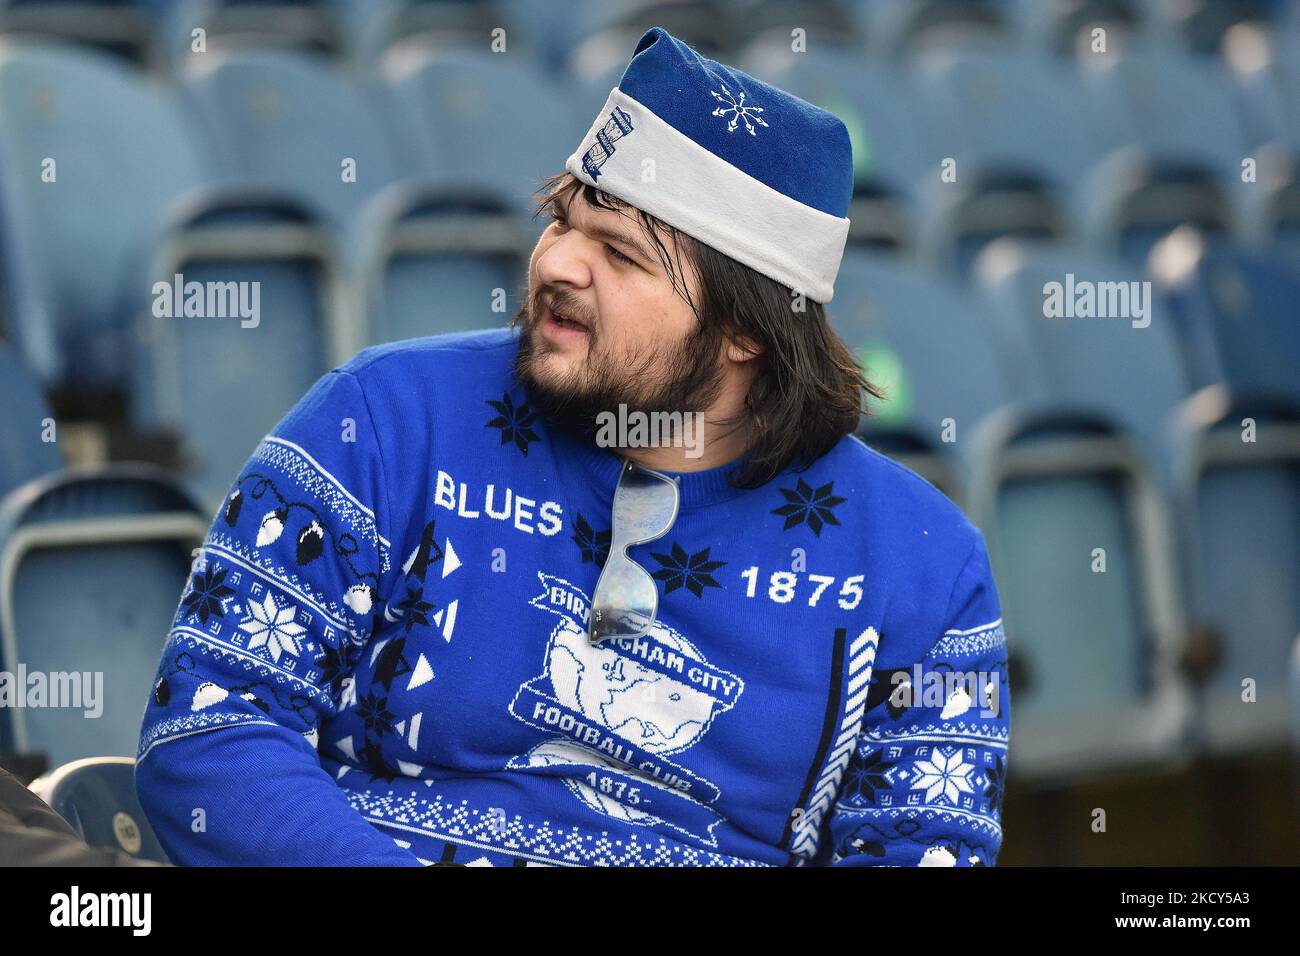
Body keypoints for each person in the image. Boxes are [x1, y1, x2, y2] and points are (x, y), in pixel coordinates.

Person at [135, 26, 1010, 867]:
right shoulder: (386, 419)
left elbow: (926, 850)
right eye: (565, 218)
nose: (557, 263)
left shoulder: (921, 569)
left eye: (621, 255)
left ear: (747, 329)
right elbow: (211, 730)